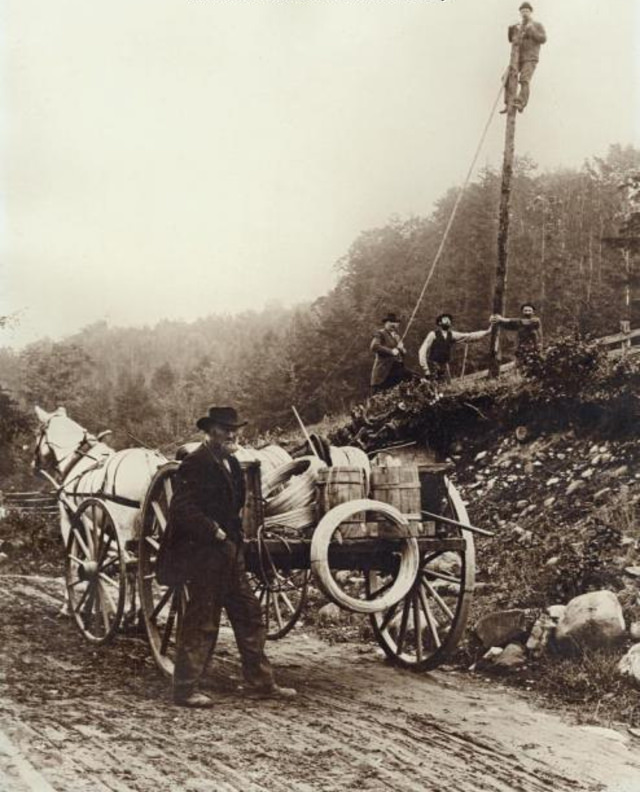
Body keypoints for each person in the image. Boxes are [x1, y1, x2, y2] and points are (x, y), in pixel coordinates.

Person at [162, 405, 296, 707]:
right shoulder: (194, 463)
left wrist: (236, 540)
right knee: (202, 621)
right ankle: (185, 689)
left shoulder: (233, 464)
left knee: (249, 615)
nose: (232, 434)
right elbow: (181, 509)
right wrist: (213, 531)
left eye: (235, 429)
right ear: (209, 432)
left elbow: (234, 509)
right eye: (225, 429)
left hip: (229, 553)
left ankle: (260, 684)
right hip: (203, 554)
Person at [501, 2, 547, 113]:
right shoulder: (519, 26)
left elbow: (543, 39)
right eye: (522, 11)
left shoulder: (537, 25)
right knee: (505, 77)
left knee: (524, 80)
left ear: (531, 12)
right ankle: (509, 103)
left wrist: (531, 30)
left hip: (530, 57)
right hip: (517, 58)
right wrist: (510, 29)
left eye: (526, 11)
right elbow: (511, 40)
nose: (524, 13)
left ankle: (521, 102)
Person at [419, 313, 491, 382]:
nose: (447, 321)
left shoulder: (452, 335)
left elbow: (468, 336)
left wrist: (487, 332)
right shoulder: (433, 334)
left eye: (449, 320)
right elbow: (422, 350)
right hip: (433, 366)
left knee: (446, 387)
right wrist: (425, 369)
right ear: (440, 323)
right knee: (432, 387)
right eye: (445, 319)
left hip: (444, 366)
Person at [370, 312, 413, 394]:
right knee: (380, 397)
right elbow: (374, 346)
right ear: (386, 323)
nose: (393, 324)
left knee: (413, 379)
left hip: (396, 370)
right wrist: (391, 351)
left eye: (395, 322)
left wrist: (402, 349)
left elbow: (401, 355)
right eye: (390, 322)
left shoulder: (397, 336)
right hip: (384, 372)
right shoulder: (380, 333)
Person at [491, 303, 543, 367]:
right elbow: (508, 325)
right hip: (521, 348)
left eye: (529, 310)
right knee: (520, 365)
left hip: (533, 348)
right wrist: (496, 320)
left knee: (533, 365)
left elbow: (520, 321)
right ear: (522, 312)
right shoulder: (519, 324)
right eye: (525, 310)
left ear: (533, 312)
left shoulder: (535, 320)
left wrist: (502, 319)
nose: (527, 312)